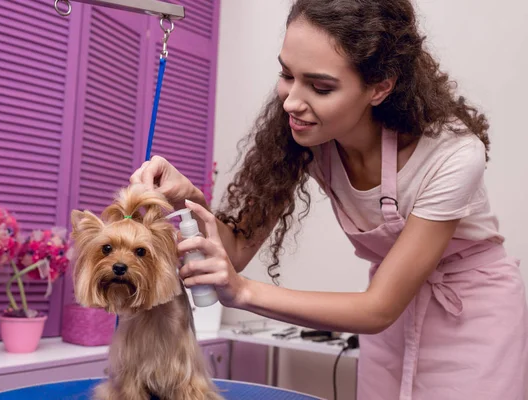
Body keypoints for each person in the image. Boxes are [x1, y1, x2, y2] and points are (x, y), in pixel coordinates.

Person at [130, 0, 528, 398]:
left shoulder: (452, 154)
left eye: (320, 87)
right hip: (392, 319)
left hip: (470, 312)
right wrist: (188, 202)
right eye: (287, 74)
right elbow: (233, 252)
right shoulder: (305, 134)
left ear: (380, 86)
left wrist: (244, 292)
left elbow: (377, 308)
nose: (291, 101)